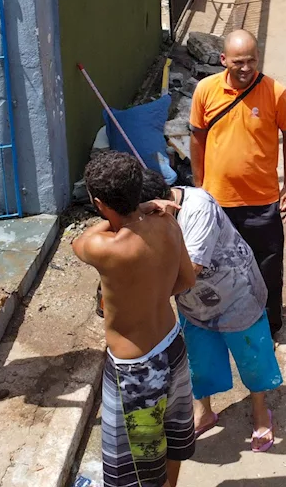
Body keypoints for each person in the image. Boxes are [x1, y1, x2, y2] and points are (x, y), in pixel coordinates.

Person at [73, 151, 197, 487]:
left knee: (141, 459)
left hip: (136, 372)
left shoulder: (103, 247)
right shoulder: (168, 223)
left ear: (99, 203)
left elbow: (77, 242)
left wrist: (134, 210)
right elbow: (186, 281)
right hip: (173, 348)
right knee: (172, 436)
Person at [138, 171, 282, 451]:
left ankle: (261, 412)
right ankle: (204, 411)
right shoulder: (148, 215)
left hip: (235, 292)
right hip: (193, 302)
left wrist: (144, 299)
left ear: (160, 204)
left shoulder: (198, 208)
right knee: (199, 359)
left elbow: (191, 271)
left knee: (252, 356)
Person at [189, 29, 286, 336]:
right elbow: (197, 136)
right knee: (216, 268)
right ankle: (220, 321)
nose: (246, 68)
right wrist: (200, 188)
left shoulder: (276, 92)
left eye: (251, 60)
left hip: (263, 201)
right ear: (224, 59)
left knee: (267, 267)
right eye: (238, 61)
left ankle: (268, 325)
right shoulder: (205, 90)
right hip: (218, 202)